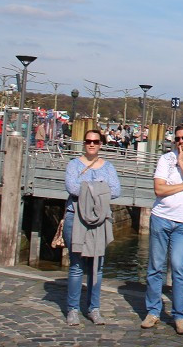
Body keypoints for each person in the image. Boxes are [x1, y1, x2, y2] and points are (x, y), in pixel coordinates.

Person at [142, 123, 183, 334]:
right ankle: (153, 311)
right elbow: (159, 189)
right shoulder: (165, 159)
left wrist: (181, 162)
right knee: (155, 267)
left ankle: (180, 315)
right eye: (177, 139)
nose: (180, 142)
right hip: (160, 218)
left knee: (179, 267)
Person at [63, 128, 121, 327]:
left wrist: (88, 187)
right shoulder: (73, 165)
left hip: (99, 219)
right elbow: (71, 187)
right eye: (88, 141)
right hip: (75, 216)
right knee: (76, 265)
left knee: (97, 267)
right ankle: (72, 309)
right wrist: (99, 188)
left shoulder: (109, 167)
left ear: (101, 144)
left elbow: (116, 190)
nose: (91, 144)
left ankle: (94, 308)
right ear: (84, 143)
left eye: (95, 142)